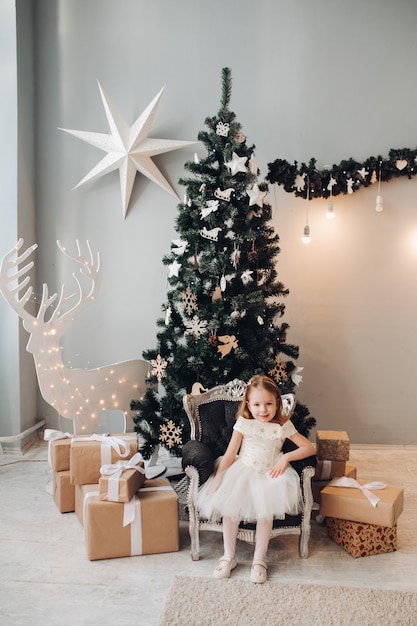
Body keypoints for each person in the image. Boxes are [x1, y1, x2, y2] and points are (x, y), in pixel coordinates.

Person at [197, 374, 316, 584]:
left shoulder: (282, 425)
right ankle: (228, 556)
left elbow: (309, 447)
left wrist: (287, 457)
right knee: (230, 511)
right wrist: (218, 478)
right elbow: (230, 453)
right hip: (243, 470)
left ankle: (259, 560)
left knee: (265, 513)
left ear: (277, 403)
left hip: (270, 474)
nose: (263, 410)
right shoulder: (243, 424)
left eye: (269, 404)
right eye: (258, 404)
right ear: (248, 405)